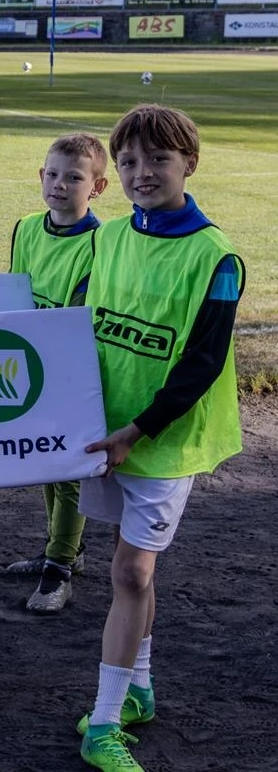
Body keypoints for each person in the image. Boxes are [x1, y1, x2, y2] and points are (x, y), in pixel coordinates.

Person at [75, 105, 244, 771]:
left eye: (158, 160)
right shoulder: (108, 238)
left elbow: (202, 363)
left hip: (161, 439)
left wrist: (138, 430)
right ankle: (139, 688)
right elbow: (76, 326)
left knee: (130, 570)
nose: (141, 173)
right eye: (128, 162)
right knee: (129, 570)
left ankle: (102, 726)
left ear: (189, 164)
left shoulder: (216, 256)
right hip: (104, 434)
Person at [4, 132, 109, 614]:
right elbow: (14, 295)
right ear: (39, 176)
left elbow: (82, 316)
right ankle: (64, 548)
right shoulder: (27, 228)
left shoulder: (101, 243)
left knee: (67, 469)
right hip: (31, 365)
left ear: (98, 187)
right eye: (52, 174)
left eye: (74, 177)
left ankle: (59, 570)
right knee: (46, 461)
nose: (59, 184)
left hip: (70, 369)